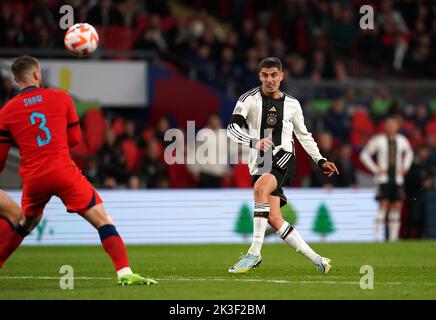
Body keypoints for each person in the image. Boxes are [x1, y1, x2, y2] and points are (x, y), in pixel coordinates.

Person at [0, 55, 157, 286]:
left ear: (15, 79)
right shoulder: (61, 97)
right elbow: (74, 139)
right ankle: (124, 272)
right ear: (36, 74)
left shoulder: (6, 111)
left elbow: (1, 160)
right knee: (102, 220)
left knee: (26, 223)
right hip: (62, 170)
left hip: (33, 178)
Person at [226, 57, 339, 274]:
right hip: (259, 162)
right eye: (265, 75)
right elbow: (232, 129)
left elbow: (304, 136)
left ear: (281, 76)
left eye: (274, 75)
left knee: (260, 189)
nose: (270, 80)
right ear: (260, 76)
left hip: (283, 157)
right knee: (275, 218)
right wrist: (254, 142)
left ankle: (254, 253)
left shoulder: (293, 105)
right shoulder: (247, 99)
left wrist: (320, 160)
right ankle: (319, 260)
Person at [360, 117, 413, 242]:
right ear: (385, 127)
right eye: (388, 125)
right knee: (383, 206)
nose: (391, 127)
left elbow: (409, 153)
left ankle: (393, 238)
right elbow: (364, 155)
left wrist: (405, 167)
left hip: (397, 179)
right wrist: (375, 169)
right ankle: (378, 237)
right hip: (383, 179)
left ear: (397, 127)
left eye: (393, 125)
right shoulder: (378, 140)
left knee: (397, 206)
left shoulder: (401, 140)